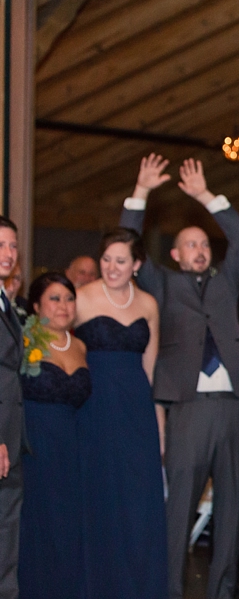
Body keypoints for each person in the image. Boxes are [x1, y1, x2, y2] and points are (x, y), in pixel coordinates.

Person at [119, 154, 239, 599]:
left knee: (231, 511)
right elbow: (126, 245)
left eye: (205, 243)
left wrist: (205, 196)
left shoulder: (228, 280)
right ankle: (169, 591)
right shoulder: (162, 285)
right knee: (179, 510)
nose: (200, 250)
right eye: (191, 245)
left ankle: (223, 592)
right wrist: (140, 193)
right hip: (187, 407)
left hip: (236, 407)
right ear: (175, 255)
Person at [74, 227, 167, 598]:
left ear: (137, 265)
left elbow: (151, 367)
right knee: (98, 498)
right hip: (93, 408)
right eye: (107, 259)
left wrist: (158, 424)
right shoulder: (80, 298)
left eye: (121, 261)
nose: (112, 267)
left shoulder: (148, 304)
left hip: (137, 412)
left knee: (137, 503)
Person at [18, 273, 91, 599]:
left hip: (72, 446)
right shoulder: (23, 340)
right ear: (35, 306)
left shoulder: (80, 345)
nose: (63, 306)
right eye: (54, 298)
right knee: (38, 523)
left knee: (68, 525)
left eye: (69, 298)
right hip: (35, 444)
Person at [0, 216, 24, 599]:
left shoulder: (5, 299)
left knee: (6, 529)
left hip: (13, 432)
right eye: (0, 244)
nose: (8, 254)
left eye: (13, 246)